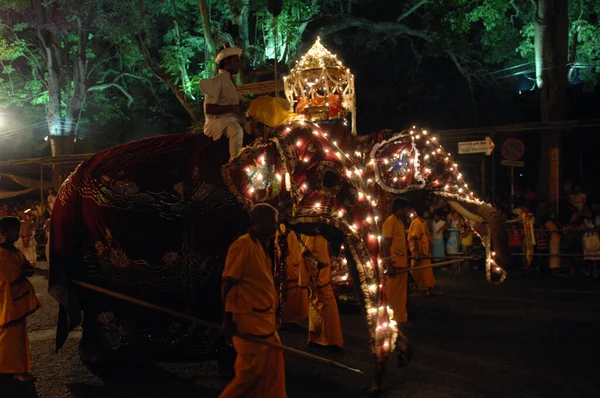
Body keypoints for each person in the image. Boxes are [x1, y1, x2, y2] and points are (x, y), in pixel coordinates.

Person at [220, 204, 286, 398]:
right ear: (259, 222)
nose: (276, 227)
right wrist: (227, 320)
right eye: (272, 223)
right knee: (250, 375)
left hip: (266, 322)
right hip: (250, 323)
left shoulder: (263, 245)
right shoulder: (243, 245)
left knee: (271, 373)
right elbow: (228, 284)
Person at [0, 216, 41, 382]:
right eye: (13, 230)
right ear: (3, 233)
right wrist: (25, 271)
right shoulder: (2, 254)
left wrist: (26, 270)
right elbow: (13, 276)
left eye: (17, 230)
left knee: (14, 335)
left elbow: (26, 268)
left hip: (16, 300)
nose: (17, 233)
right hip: (9, 302)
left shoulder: (13, 250)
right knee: (13, 337)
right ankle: (17, 370)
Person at [200, 45, 246, 161]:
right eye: (235, 61)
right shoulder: (216, 81)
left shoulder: (231, 81)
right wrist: (232, 107)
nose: (238, 64)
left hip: (230, 118)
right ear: (227, 62)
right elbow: (209, 109)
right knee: (236, 130)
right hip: (216, 122)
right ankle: (234, 162)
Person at [301, 233, 344, 351]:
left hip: (322, 275)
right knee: (325, 306)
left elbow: (321, 250)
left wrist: (331, 258)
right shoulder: (311, 232)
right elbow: (306, 253)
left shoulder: (320, 232)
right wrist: (317, 264)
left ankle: (317, 339)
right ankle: (328, 341)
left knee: (319, 305)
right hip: (317, 276)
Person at [382, 197, 410, 327]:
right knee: (393, 293)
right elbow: (386, 245)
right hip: (394, 263)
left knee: (401, 293)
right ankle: (391, 318)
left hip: (402, 262)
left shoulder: (399, 221)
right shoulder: (390, 222)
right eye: (405, 209)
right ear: (399, 208)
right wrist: (389, 265)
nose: (406, 211)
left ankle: (400, 317)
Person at [277, 224, 308, 327]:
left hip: (292, 266)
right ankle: (287, 320)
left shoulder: (289, 230)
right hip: (289, 267)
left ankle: (290, 318)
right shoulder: (284, 231)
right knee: (288, 294)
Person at [409, 208, 439, 296]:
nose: (428, 213)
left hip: (424, 251)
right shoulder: (417, 223)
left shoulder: (421, 222)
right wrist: (418, 252)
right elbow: (415, 238)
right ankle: (416, 287)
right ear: (423, 212)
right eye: (427, 212)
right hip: (419, 252)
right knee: (417, 270)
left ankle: (427, 287)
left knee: (426, 270)